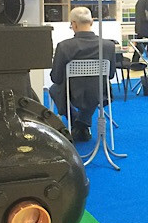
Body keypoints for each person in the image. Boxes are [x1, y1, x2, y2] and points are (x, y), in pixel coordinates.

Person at [49, 7, 116, 142]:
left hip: (73, 93)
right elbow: (110, 75)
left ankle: (76, 122)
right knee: (94, 89)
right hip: (100, 93)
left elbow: (56, 77)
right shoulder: (108, 45)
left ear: (74, 24)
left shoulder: (64, 46)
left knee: (54, 89)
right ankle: (82, 123)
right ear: (91, 22)